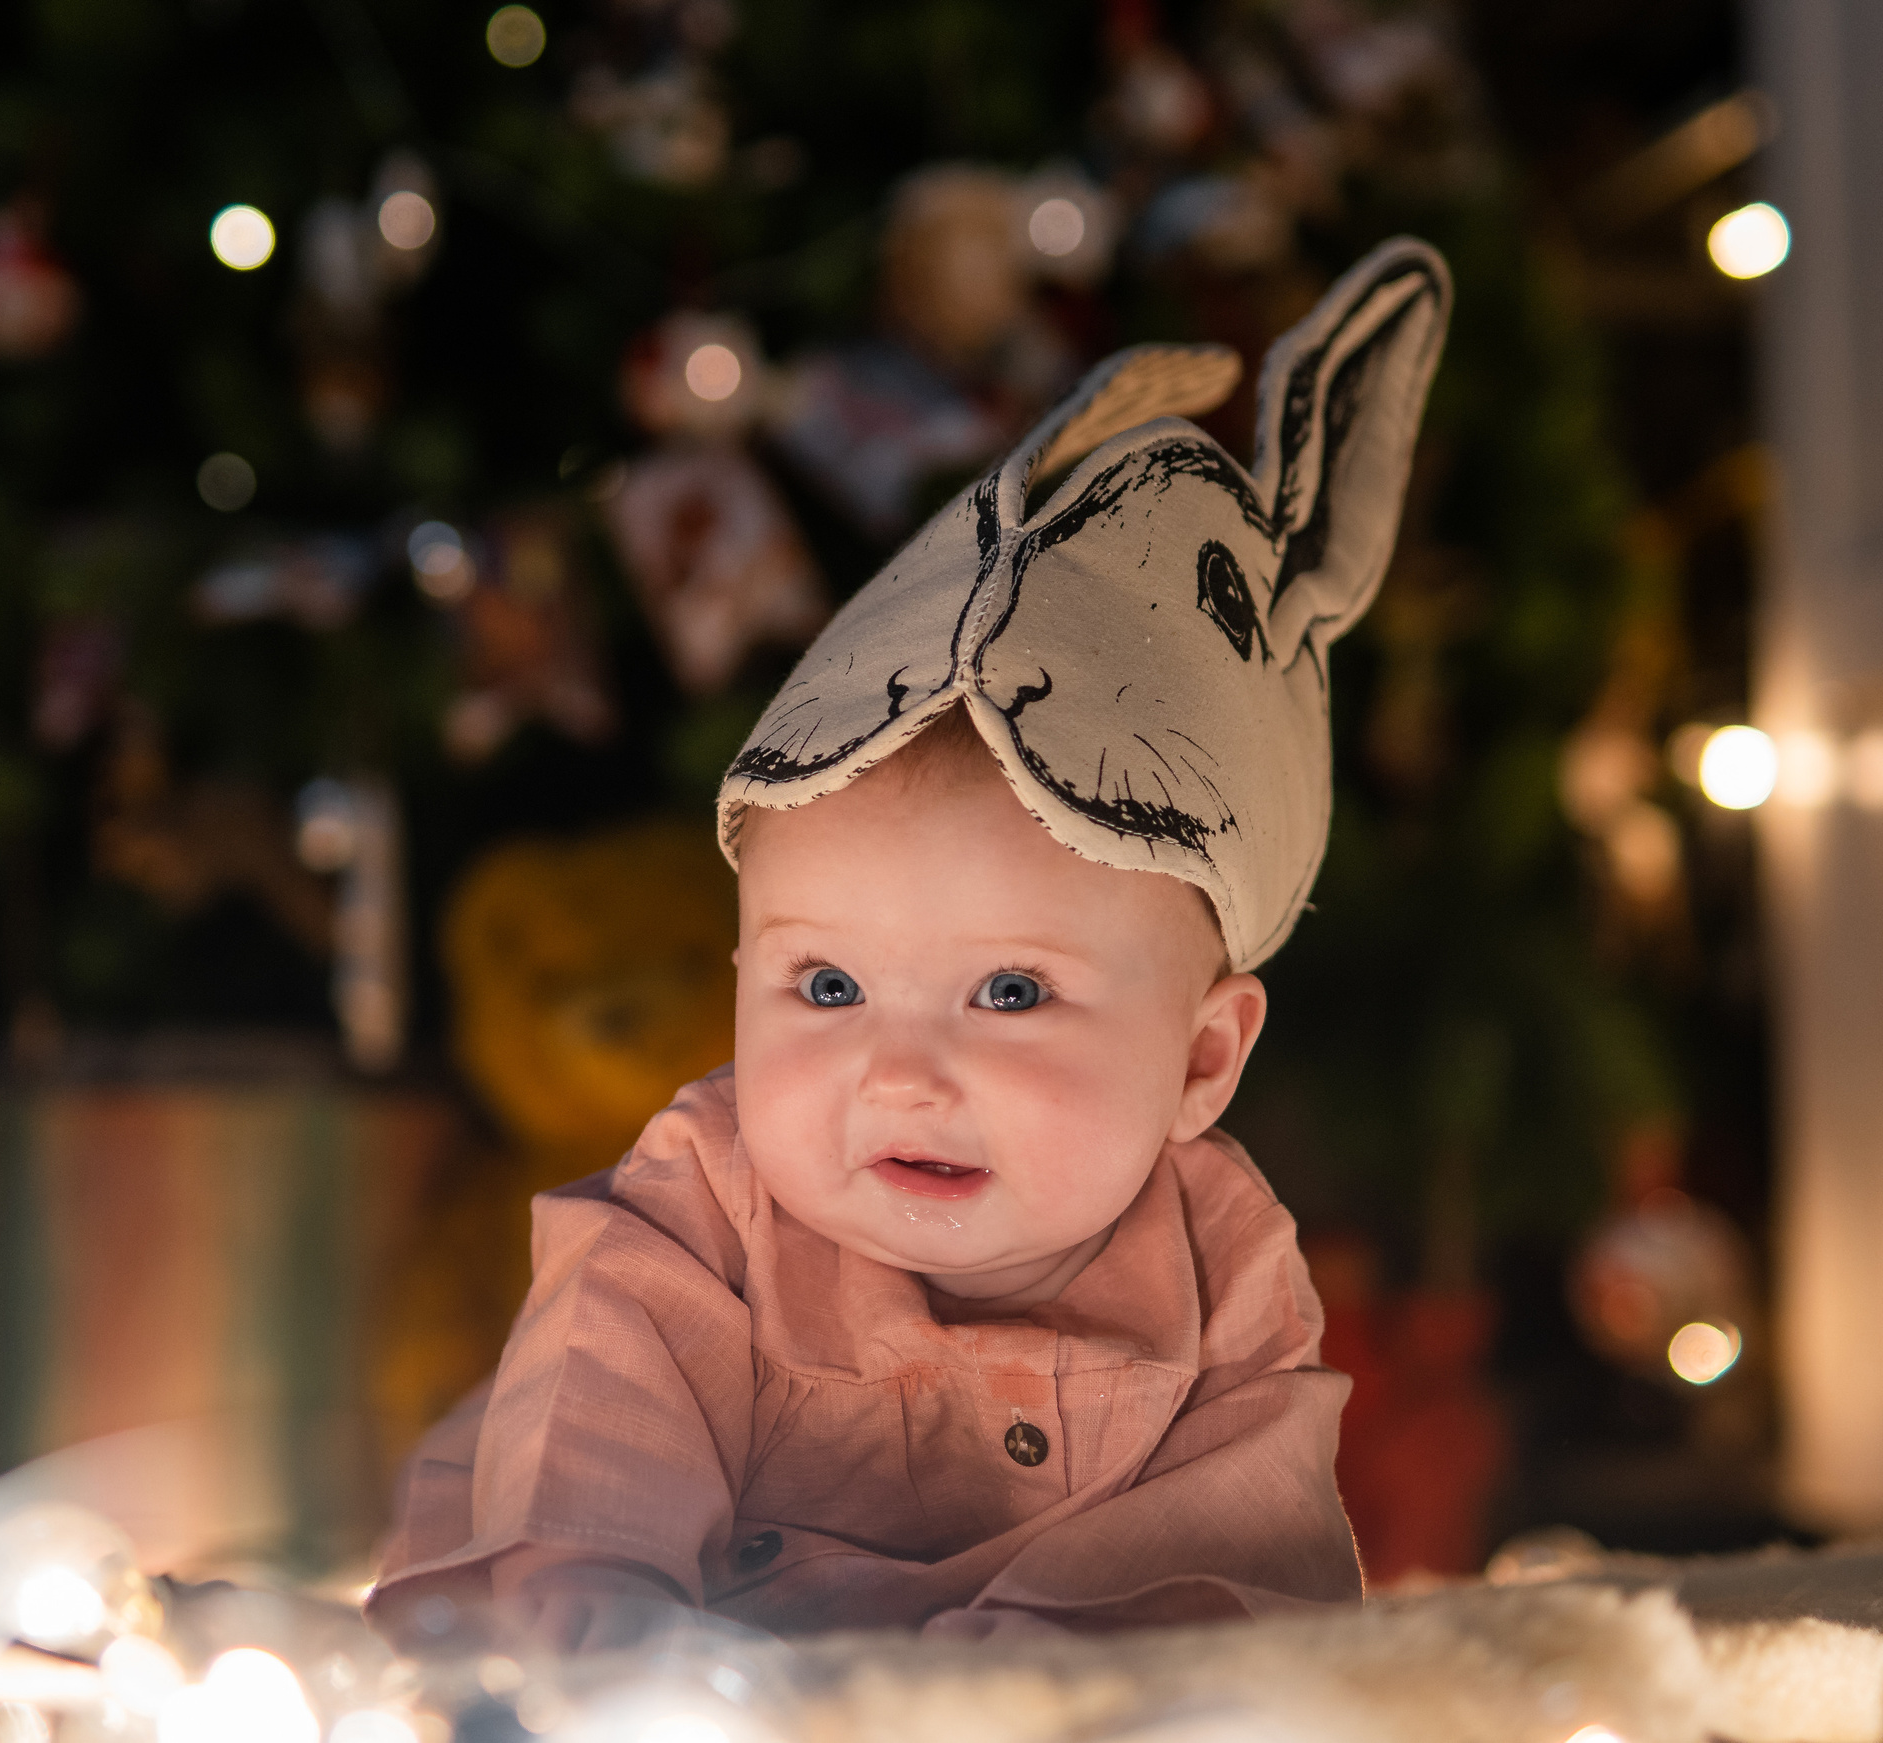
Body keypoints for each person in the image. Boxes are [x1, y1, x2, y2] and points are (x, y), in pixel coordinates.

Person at [367, 239, 1453, 1651]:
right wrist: (600, 1603)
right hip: (685, 1651)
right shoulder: (704, 1204)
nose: (900, 1073)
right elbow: (597, 1407)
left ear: (1199, 1057)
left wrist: (1038, 1686)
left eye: (1010, 992)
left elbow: (1232, 1547)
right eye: (826, 984)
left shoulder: (1223, 1267)